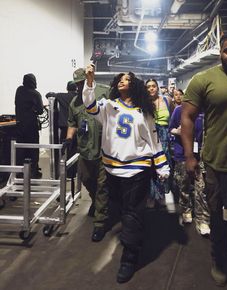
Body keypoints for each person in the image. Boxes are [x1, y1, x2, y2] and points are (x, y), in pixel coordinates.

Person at [82, 64, 170, 283]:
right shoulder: (109, 106)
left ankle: (129, 257)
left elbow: (154, 139)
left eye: (128, 78)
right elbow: (90, 106)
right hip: (112, 168)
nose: (122, 80)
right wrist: (90, 81)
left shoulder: (144, 111)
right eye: (120, 78)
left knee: (131, 214)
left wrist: (161, 165)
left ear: (135, 85)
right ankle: (134, 236)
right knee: (121, 210)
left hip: (137, 169)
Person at [181, 33, 227, 287]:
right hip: (218, 163)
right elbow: (187, 118)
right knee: (219, 218)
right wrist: (190, 156)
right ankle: (220, 260)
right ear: (220, 52)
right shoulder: (204, 79)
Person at [64, 68, 109, 243]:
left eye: (81, 82)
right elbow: (72, 123)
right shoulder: (74, 102)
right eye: (77, 84)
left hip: (104, 148)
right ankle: (97, 202)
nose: (79, 86)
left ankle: (100, 223)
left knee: (102, 185)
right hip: (85, 149)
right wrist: (69, 138)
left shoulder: (104, 92)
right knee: (86, 179)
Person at [169, 105, 210, 235]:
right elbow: (171, 129)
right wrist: (180, 131)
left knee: (202, 188)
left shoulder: (205, 110)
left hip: (201, 155)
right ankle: (186, 209)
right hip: (182, 154)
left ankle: (202, 219)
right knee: (183, 184)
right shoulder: (179, 110)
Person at [146, 79, 174, 207]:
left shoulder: (167, 100)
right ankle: (152, 194)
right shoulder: (143, 102)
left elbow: (174, 118)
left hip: (164, 136)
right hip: (150, 136)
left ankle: (161, 193)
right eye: (148, 87)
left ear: (157, 88)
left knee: (164, 164)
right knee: (151, 165)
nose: (151, 89)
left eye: (153, 86)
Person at [15, 73, 44, 178]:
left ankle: (20, 172)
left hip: (20, 125)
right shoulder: (36, 94)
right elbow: (40, 111)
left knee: (21, 149)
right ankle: (33, 172)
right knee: (33, 149)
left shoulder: (19, 90)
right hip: (31, 127)